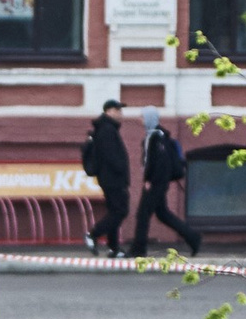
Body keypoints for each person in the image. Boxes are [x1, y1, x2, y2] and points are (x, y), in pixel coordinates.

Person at [129, 107, 203, 260]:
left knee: (143, 215)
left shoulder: (157, 138)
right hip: (156, 183)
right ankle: (193, 237)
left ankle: (138, 249)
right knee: (163, 214)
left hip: (156, 184)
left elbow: (161, 165)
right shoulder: (151, 137)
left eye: (142, 117)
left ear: (150, 119)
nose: (139, 119)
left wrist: (150, 181)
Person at [80, 100, 130, 256]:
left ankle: (114, 248)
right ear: (108, 111)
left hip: (110, 178)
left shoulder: (106, 128)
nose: (121, 114)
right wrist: (121, 170)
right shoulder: (107, 130)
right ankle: (93, 235)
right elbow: (111, 156)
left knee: (114, 211)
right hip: (113, 179)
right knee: (120, 211)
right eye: (117, 110)